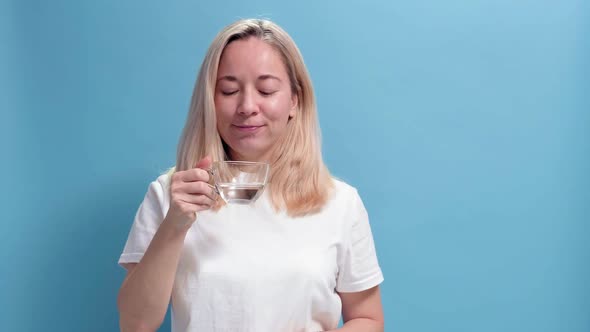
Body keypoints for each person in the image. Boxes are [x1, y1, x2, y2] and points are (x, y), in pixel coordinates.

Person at [117, 18, 384, 332]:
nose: (247, 106)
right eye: (229, 90)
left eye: (266, 89)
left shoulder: (340, 203)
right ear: (210, 101)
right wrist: (174, 224)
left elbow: (367, 319)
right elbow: (135, 324)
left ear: (294, 101)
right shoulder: (169, 195)